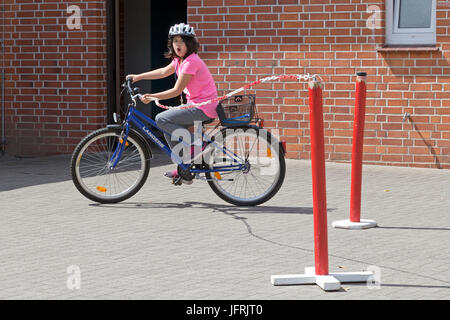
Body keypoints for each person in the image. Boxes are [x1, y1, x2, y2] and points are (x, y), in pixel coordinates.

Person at [127, 23, 218, 185]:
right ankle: (184, 169)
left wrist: (151, 96)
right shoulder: (179, 61)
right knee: (168, 128)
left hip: (203, 107)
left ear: (190, 44)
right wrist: (138, 76)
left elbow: (177, 90)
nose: (178, 45)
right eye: (175, 41)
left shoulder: (191, 62)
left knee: (162, 119)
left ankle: (200, 145)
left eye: (182, 41)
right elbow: (163, 72)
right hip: (195, 106)